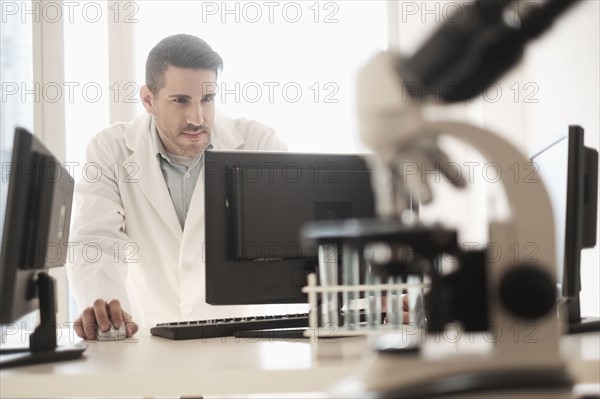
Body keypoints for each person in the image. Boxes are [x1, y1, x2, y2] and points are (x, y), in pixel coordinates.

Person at [66, 34, 290, 340]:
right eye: (181, 100)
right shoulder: (111, 150)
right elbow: (95, 242)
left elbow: (296, 241)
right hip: (148, 342)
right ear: (148, 99)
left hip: (235, 348)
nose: (197, 118)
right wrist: (104, 305)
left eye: (206, 99)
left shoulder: (259, 145)